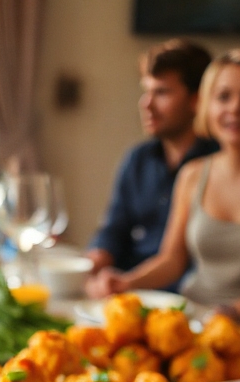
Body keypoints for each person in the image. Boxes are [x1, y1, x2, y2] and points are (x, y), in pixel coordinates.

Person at [88, 49, 240, 323]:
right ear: (207, 105)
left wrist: (232, 314)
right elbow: (172, 260)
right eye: (223, 96)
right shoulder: (194, 175)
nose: (235, 108)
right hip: (192, 317)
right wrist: (126, 283)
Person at [86, 39, 217, 281]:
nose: (146, 104)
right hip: (130, 283)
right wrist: (95, 260)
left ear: (196, 100)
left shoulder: (218, 164)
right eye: (146, 91)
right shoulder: (138, 159)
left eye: (162, 93)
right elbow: (115, 229)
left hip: (185, 291)